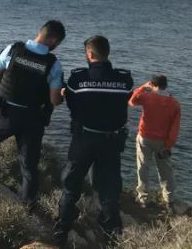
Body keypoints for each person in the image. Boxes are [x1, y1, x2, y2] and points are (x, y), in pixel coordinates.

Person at [0, 20, 66, 207]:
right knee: (29, 166)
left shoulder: (13, 49)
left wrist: (13, 91)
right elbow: (55, 100)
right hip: (32, 119)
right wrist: (61, 96)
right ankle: (26, 207)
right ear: (54, 40)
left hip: (5, 113)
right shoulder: (53, 64)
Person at [54, 36, 133, 244]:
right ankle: (110, 236)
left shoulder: (78, 79)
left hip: (84, 140)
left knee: (72, 184)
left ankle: (61, 228)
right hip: (111, 142)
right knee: (109, 189)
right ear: (107, 52)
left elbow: (71, 104)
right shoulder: (124, 80)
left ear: (90, 54)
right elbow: (124, 101)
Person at [128, 75, 181, 210]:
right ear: (165, 85)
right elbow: (175, 128)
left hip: (144, 137)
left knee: (143, 167)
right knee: (165, 171)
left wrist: (143, 87)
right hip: (163, 142)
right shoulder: (174, 103)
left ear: (153, 84)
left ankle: (143, 198)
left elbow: (132, 101)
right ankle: (169, 199)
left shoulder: (147, 97)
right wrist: (169, 145)